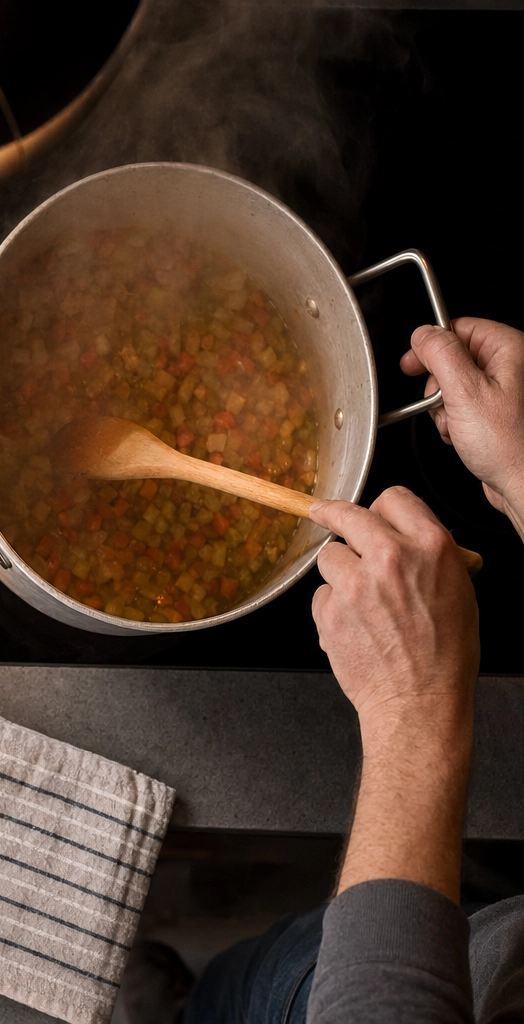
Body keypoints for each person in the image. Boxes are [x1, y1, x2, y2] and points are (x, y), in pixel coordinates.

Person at [122, 317, 524, 1024]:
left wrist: (418, 701)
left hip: (374, 985)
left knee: (260, 990)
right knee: (254, 973)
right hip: (470, 942)